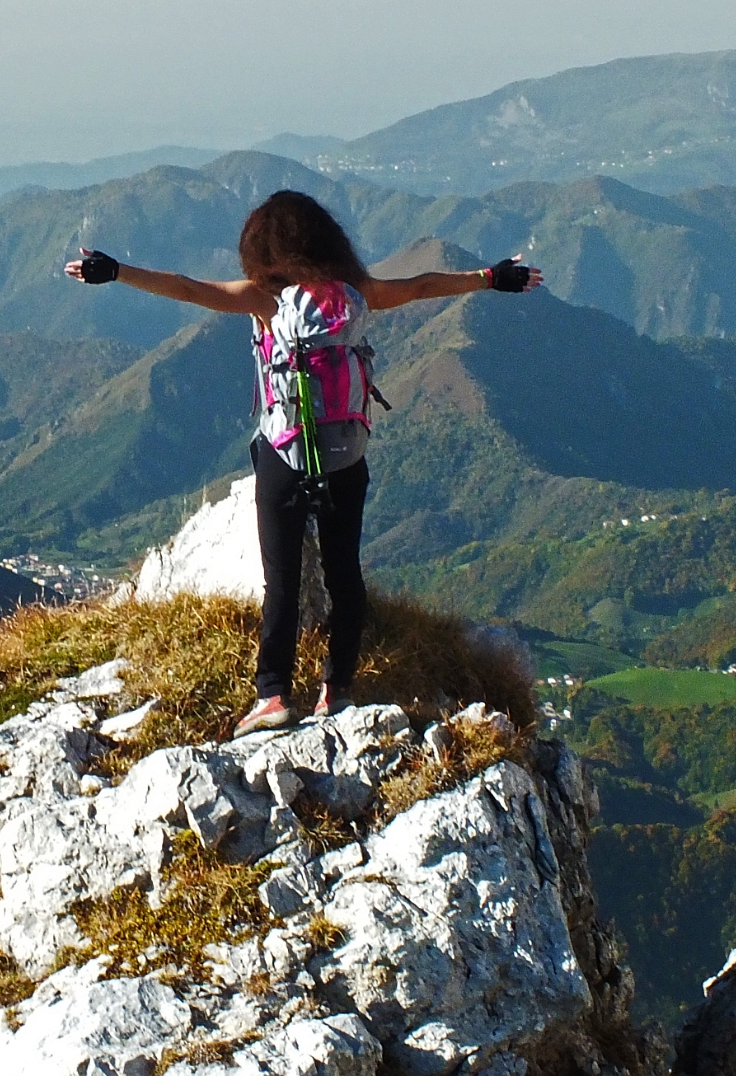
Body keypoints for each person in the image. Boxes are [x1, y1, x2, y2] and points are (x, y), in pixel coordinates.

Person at [66, 190, 541, 737]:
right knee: (345, 574)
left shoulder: (264, 299)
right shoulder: (355, 295)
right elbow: (424, 286)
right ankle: (337, 689)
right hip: (346, 452)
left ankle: (273, 696)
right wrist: (489, 277)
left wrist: (116, 271)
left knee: (283, 581)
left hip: (283, 456)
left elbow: (187, 288)